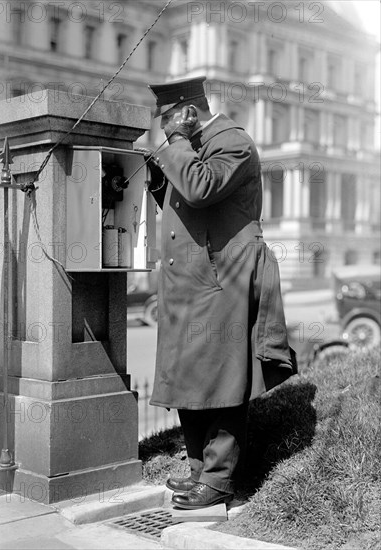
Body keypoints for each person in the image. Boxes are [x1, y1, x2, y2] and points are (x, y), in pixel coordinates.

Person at [144, 76, 297, 510]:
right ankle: (199, 470)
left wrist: (176, 143)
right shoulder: (191, 146)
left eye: (169, 120)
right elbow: (187, 207)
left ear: (188, 113)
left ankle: (218, 480)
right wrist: (161, 177)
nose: (165, 130)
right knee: (188, 378)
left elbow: (199, 188)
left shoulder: (233, 143)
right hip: (189, 283)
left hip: (219, 280)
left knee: (222, 380)